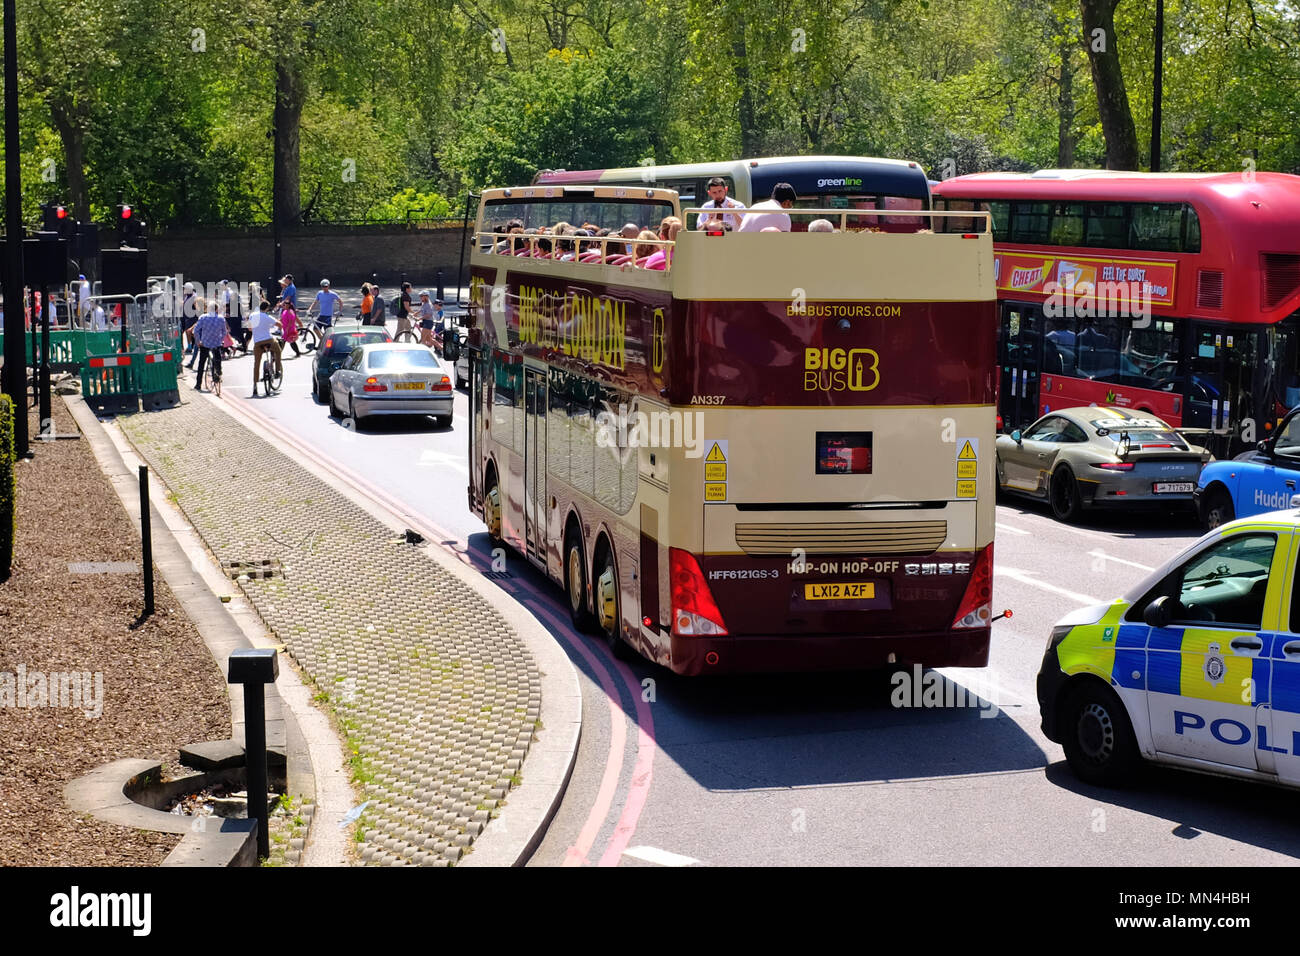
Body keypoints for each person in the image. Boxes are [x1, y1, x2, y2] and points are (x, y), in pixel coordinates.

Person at [248, 298, 282, 396]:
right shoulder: (268, 317)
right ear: (266, 308)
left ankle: (255, 384)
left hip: (257, 342)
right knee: (278, 351)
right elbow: (279, 324)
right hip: (269, 340)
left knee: (257, 363)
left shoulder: (252, 316)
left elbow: (250, 328)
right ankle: (277, 371)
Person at [193, 298, 227, 390]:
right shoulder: (221, 318)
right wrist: (221, 339)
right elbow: (224, 332)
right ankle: (218, 373)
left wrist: (198, 341)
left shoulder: (203, 318)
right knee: (217, 359)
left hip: (205, 343)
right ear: (216, 309)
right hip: (216, 343)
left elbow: (195, 331)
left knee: (201, 364)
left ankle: (198, 384)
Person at [181, 281, 200, 368]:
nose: (184, 289)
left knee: (190, 332)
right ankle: (191, 346)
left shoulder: (193, 297)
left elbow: (197, 308)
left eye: (185, 288)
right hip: (187, 318)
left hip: (192, 318)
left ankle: (191, 346)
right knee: (188, 333)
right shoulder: (187, 296)